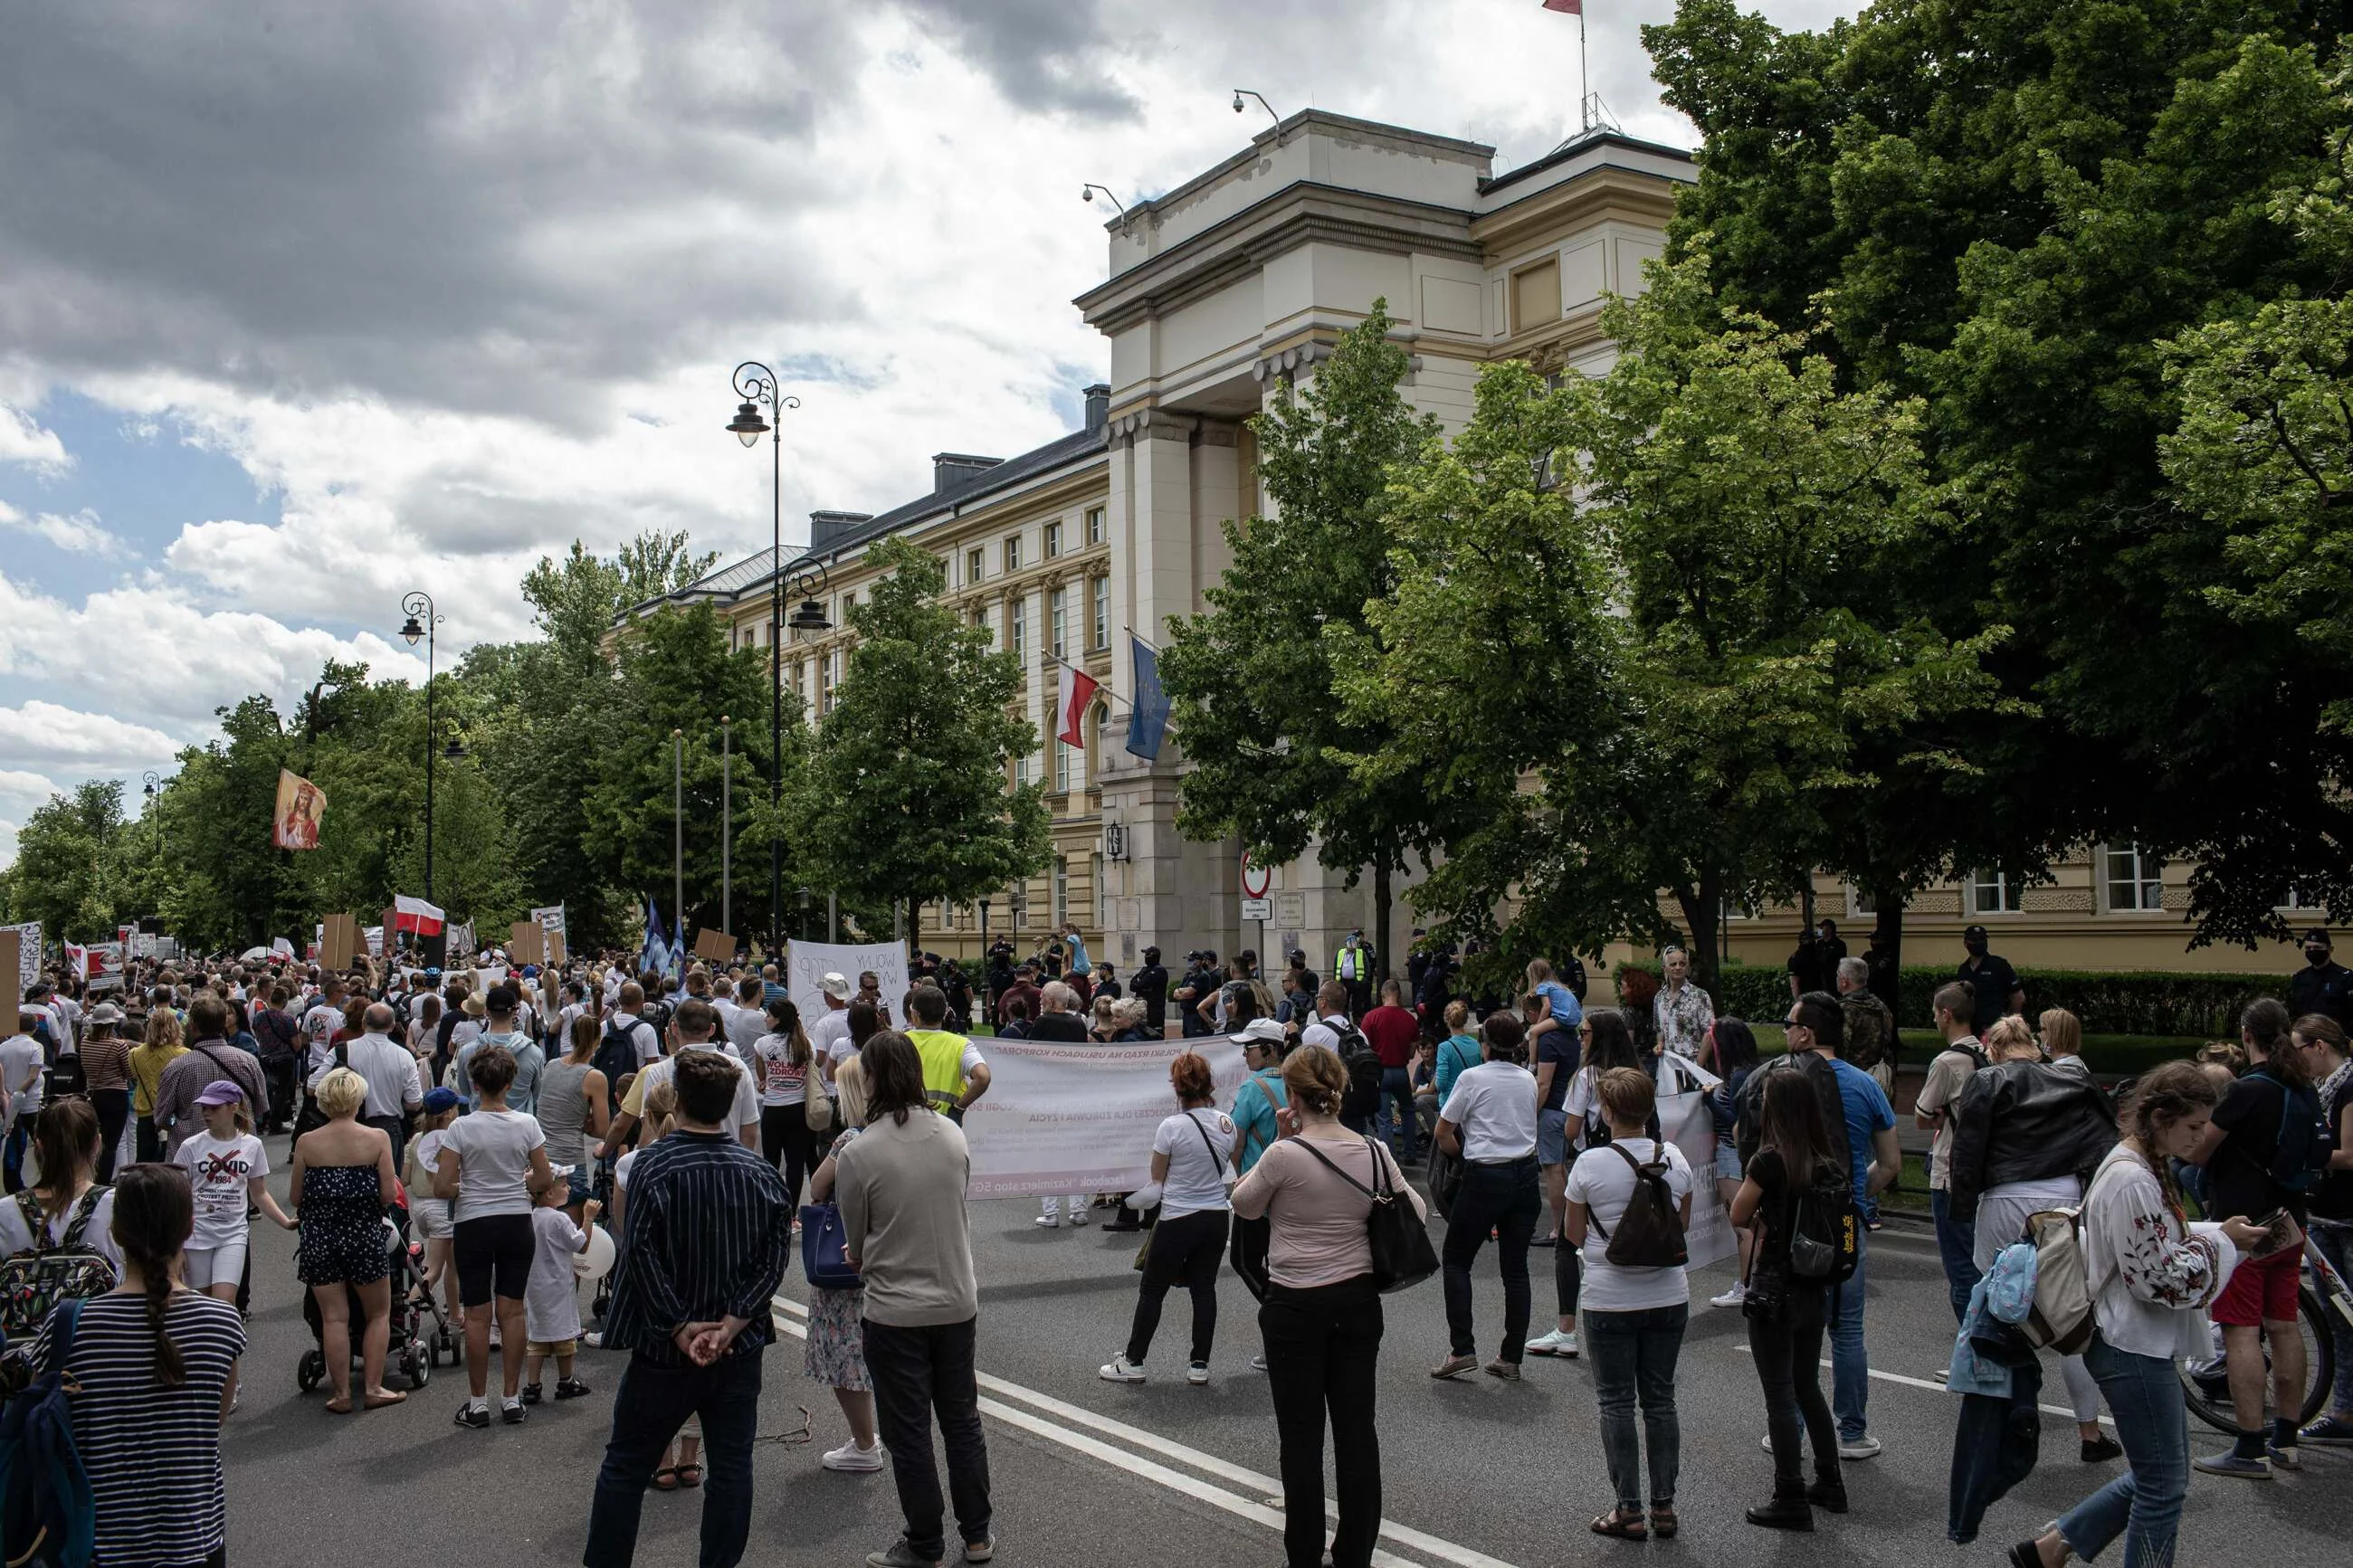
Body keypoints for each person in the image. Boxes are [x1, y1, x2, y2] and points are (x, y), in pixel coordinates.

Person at [2010, 1062, 2265, 1568]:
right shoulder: (2132, 1178)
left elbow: (2154, 1247)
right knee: (2164, 1485)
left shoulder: (2140, 1166)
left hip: (2131, 1341)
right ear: (2161, 1117)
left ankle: (2050, 1549)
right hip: (2129, 1344)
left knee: (2159, 1476)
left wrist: (2215, 1236)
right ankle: (2052, 1549)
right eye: (2193, 1127)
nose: (2201, 1137)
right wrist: (2226, 1247)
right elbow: (2156, 1279)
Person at [586, 1050, 795, 1568]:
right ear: (728, 1105)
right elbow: (772, 1262)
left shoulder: (651, 1165)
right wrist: (734, 1322)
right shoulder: (762, 1174)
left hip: (663, 1345)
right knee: (730, 1468)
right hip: (737, 1345)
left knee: (626, 1465)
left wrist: (678, 1325)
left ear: (677, 1102)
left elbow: (639, 1253)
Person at [1231, 1045, 1425, 1568]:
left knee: (1300, 1438)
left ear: (1293, 1096)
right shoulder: (1374, 1151)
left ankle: (1304, 1552)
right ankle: (1356, 1550)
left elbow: (1244, 1205)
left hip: (1295, 1303)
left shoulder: (1284, 1155)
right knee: (1357, 1429)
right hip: (1358, 1300)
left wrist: (1282, 1137)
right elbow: (1419, 1213)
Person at [28, 1164, 243, 1568]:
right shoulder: (221, 1323)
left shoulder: (68, 1324)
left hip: (95, 1542)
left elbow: (49, 1424)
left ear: (115, 1233)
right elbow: (213, 1420)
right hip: (194, 1539)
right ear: (190, 1228)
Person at [836, 1031, 995, 1568]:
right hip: (955, 1298)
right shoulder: (952, 1135)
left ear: (873, 1079)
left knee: (908, 1434)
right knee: (962, 1421)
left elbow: (855, 1241)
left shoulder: (859, 1151)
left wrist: (863, 1252)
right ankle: (976, 1535)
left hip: (895, 1309)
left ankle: (924, 1542)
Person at [1947, 1014, 2122, 1462]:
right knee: (2071, 1316)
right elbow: (2107, 1141)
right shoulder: (2075, 1082)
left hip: (2005, 1197)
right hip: (2062, 1198)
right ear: (2034, 1047)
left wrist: (1961, 1209)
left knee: (2000, 1313)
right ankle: (2089, 1432)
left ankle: (2010, 1417)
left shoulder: (1987, 1081)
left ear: (1994, 1051)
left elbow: (1967, 1150)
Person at [1762, 991, 1900, 1459]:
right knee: (1848, 1330)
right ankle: (1853, 1432)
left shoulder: (1782, 1079)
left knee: (1795, 1331)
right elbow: (1891, 1163)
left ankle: (1792, 1426)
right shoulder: (1866, 1085)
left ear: (1806, 1033)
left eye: (1789, 1023)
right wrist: (1859, 1194)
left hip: (1795, 1224)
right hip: (1845, 1222)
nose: (1785, 1031)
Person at [2187, 996, 2320, 1476]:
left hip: (2244, 1225)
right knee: (2284, 1326)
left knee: (2240, 1331)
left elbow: (2200, 1151)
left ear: (2247, 1036)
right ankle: (2286, 1437)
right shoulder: (2303, 1089)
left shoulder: (2245, 1092)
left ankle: (2249, 1445)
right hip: (2291, 1220)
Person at [1566, 1066, 1695, 1543]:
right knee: (1660, 1400)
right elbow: (1680, 1221)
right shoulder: (1674, 1159)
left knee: (1616, 1402)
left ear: (1607, 1111)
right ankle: (1665, 1507)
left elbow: (1573, 1235)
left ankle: (1628, 1510)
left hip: (1609, 1297)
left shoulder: (1589, 1165)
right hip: (1668, 1293)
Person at [1730, 1067, 1848, 1530]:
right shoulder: (1828, 1163)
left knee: (1778, 1396)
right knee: (1807, 1386)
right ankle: (1830, 1481)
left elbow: (1740, 1213)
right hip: (1814, 1289)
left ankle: (1789, 1495)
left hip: (1774, 1288)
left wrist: (1765, 1222)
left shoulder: (1769, 1162)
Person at [437, 1043, 556, 1427]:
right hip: (515, 1220)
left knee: (477, 1314)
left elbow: (442, 1186)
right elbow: (543, 1178)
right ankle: (510, 1397)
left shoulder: (460, 1127)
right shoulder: (527, 1125)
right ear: (510, 1083)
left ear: (474, 1083)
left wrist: (467, 1186)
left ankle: (477, 1403)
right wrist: (522, 1183)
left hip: (473, 1221)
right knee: (513, 1310)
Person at [1100, 1050, 1236, 1385]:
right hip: (1216, 1215)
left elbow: (1156, 1182)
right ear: (1209, 1085)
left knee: (1152, 1290)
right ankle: (1199, 1365)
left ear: (1177, 1088)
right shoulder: (1226, 1123)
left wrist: (1130, 1201)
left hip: (1178, 1216)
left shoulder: (1170, 1127)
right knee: (1204, 1289)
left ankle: (1133, 1361)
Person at [1431, 1010, 1540, 1381]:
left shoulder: (1472, 1078)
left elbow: (1443, 1132)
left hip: (1485, 1174)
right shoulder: (1528, 1079)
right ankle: (1510, 1356)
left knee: (1457, 1259)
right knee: (1516, 1268)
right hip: (1525, 1173)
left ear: (1485, 1046)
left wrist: (1460, 1158)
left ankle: (1462, 1348)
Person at [291, 1065, 405, 1414]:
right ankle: (373, 1387)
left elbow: (297, 1197)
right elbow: (388, 1193)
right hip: (363, 1234)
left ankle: (340, 1394)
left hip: (321, 1237)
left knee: (334, 1318)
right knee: (378, 1313)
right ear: (358, 1100)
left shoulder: (307, 1143)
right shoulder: (376, 1139)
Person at [805, 1056, 887, 1472]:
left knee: (844, 1353)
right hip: (887, 1254)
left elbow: (818, 1185)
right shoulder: (895, 1135)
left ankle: (864, 1441)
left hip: (847, 1257)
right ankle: (878, 1436)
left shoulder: (850, 1140)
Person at [174, 1079, 296, 1302]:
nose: (206, 1114)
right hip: (195, 1235)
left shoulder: (252, 1145)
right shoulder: (190, 1146)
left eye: (214, 1108)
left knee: (224, 1303)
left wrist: (285, 1222)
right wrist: (175, 1246)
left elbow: (259, 1192)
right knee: (200, 1304)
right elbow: (176, 1197)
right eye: (204, 1108)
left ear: (233, 1107)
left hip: (233, 1234)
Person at [2292, 1012, 2353, 1445]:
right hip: (2325, 1214)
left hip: (2348, 1216)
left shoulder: (2349, 1086)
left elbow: (2349, 1154)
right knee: (2339, 1319)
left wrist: (2300, 1153)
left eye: (2298, 1048)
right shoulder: (2319, 1090)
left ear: (2318, 1046)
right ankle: (2345, 1411)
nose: (2296, 1058)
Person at [1914, 979, 1988, 1323]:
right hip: (1981, 1169)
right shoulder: (1987, 1054)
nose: (1933, 1020)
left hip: (1949, 1169)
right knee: (1981, 1257)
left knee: (1959, 1265)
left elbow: (1922, 1115)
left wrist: (1940, 1112)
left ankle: (1972, 1348)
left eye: (1934, 1014)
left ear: (1946, 1014)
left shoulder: (1947, 1062)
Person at [305, 1002, 424, 1167]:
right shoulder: (404, 1057)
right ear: (391, 1026)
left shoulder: (342, 1051)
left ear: (363, 1023)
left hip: (347, 1125)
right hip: (389, 1127)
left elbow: (312, 1087)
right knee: (389, 1187)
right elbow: (414, 1102)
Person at [522, 1166, 598, 1404]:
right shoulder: (560, 1219)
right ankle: (566, 1381)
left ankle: (532, 1386)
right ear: (548, 1194)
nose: (570, 1188)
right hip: (559, 1288)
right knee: (565, 1339)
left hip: (535, 1287)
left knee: (538, 1338)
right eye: (564, 1184)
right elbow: (581, 1245)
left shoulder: (530, 1218)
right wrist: (588, 1217)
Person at [1702, 1018, 1762, 1310]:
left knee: (1742, 1226)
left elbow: (1737, 1124)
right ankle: (1755, 1282)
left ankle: (1746, 1286)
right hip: (1746, 1157)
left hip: (1731, 1154)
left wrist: (1710, 1103)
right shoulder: (1753, 1071)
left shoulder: (1737, 1077)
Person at [538, 1013, 612, 1218]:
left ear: (571, 1038)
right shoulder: (594, 1077)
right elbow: (602, 1130)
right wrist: (587, 1124)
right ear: (598, 1041)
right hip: (569, 1162)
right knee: (569, 1238)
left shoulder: (551, 1065)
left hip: (540, 1159)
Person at [752, 996, 819, 1208]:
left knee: (771, 1163)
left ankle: (772, 1207)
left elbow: (762, 1078)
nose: (765, 1019)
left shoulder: (762, 1044)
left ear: (778, 1019)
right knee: (795, 1164)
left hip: (773, 1109)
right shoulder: (807, 1044)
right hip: (799, 1110)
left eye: (769, 1016)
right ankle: (791, 1214)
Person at [409, 1087, 464, 1325]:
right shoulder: (451, 1141)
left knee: (453, 1265)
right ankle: (404, 1312)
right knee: (433, 1270)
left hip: (420, 1206)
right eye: (456, 1108)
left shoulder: (417, 1139)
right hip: (442, 1208)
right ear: (448, 1113)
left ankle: (454, 1314)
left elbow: (404, 1176)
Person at [1359, 978, 1422, 1163]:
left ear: (1382, 994)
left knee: (1384, 1117)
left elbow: (1364, 1047)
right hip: (1401, 1071)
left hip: (1380, 1072)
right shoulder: (1409, 1019)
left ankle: (1390, 1159)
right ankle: (1410, 1152)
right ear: (1399, 994)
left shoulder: (1371, 1017)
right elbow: (1412, 1052)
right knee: (1408, 1110)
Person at [127, 1001, 186, 1165]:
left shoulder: (134, 1054)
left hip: (146, 1112)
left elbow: (134, 1076)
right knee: (172, 1160)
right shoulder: (184, 1054)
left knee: (144, 1160)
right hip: (173, 1115)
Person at [81, 1000, 134, 1182]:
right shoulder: (118, 1045)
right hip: (116, 1096)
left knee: (95, 1139)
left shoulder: (85, 1042)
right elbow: (129, 1072)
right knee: (110, 1145)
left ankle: (91, 1176)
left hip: (94, 1094)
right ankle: (103, 1181)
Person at [1835, 957, 1897, 1093]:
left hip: (1853, 1083)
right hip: (1880, 1079)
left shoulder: (1843, 1010)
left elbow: (1840, 1051)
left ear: (1844, 981)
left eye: (1838, 975)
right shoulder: (1881, 1007)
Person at [1958, 923, 2024, 1034]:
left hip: (1995, 1028)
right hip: (1970, 1028)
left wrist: (2009, 1021)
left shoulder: (1999, 965)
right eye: (1974, 940)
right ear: (1965, 943)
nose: (1979, 942)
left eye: (1982, 939)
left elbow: (2018, 997)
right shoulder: (1963, 970)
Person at [1651, 948, 1713, 1065]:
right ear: (1665, 968)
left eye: (1682, 964)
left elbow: (1709, 1033)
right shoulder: (1659, 997)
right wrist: (1659, 1044)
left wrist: (1698, 1065)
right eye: (1673, 964)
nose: (1678, 967)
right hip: (1667, 1065)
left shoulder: (1700, 996)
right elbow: (1659, 1029)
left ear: (1687, 968)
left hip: (1692, 1065)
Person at [2287, 927, 2353, 1029]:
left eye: (2317, 948)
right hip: (2305, 1037)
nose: (2312, 951)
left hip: (2335, 1037)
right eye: (2308, 948)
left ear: (2330, 950)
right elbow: (2294, 1012)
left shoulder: (2345, 978)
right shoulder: (2300, 978)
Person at [2042, 1006, 2091, 1079]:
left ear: (2055, 1034)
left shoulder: (2058, 1073)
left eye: (2042, 1029)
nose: (2038, 1034)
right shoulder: (2076, 1065)